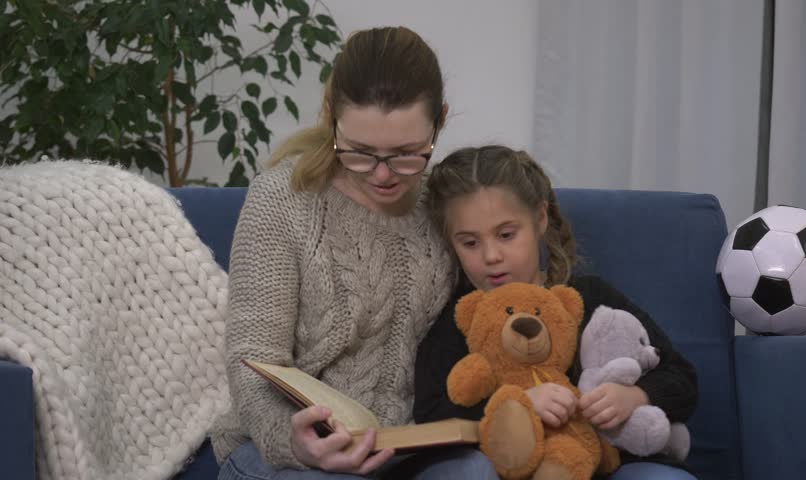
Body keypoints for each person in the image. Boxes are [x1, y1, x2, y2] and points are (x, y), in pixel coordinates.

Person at [211, 27, 498, 480]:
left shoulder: (445, 204)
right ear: (332, 116)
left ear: (439, 122)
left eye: (407, 154)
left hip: (403, 445)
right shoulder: (283, 199)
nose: (383, 175)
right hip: (287, 449)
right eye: (360, 152)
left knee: (474, 473)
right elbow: (252, 356)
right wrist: (295, 440)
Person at [414, 145, 699, 479]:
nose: (491, 255)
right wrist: (518, 404)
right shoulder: (461, 318)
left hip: (599, 464)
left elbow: (682, 378)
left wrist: (635, 395)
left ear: (540, 218)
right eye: (470, 243)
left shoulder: (589, 297)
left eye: (506, 234)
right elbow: (432, 412)